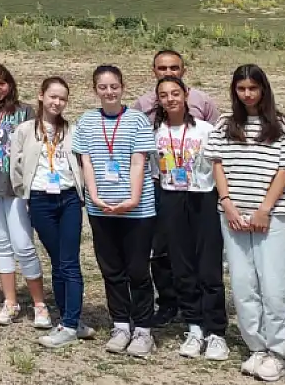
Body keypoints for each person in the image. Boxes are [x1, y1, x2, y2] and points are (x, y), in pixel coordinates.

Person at [208, 65, 285, 382]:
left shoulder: (281, 124)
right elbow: (217, 164)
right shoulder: (224, 124)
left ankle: (278, 352)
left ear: (263, 89)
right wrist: (226, 203)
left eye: (253, 88)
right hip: (232, 215)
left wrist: (264, 209)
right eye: (241, 88)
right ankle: (257, 348)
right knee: (244, 285)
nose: (247, 94)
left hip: (270, 217)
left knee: (274, 287)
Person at [73, 65, 158, 357]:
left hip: (138, 210)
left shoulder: (136, 120)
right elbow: (87, 163)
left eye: (114, 86)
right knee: (111, 269)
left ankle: (144, 329)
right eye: (103, 87)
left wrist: (133, 199)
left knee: (137, 269)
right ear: (95, 89)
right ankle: (121, 324)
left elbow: (139, 163)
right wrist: (93, 197)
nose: (109, 92)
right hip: (101, 210)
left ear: (123, 86)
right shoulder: (86, 121)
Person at [132, 48, 218, 328]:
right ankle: (169, 302)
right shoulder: (142, 104)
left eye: (174, 68)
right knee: (163, 246)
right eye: (162, 68)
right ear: (153, 71)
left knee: (200, 249)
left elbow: (216, 146)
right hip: (161, 185)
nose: (168, 72)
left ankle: (203, 307)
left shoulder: (203, 102)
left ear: (184, 69)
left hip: (199, 188)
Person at [149, 75, 228, 361]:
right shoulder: (155, 132)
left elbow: (219, 168)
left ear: (186, 95)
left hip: (203, 197)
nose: (170, 99)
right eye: (164, 94)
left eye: (175, 93)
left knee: (208, 266)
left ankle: (216, 331)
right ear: (158, 99)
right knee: (181, 266)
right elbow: (154, 170)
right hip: (171, 197)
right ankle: (194, 327)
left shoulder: (206, 130)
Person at [12, 76, 92, 349]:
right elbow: (16, 166)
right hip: (40, 200)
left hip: (69, 199)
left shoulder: (73, 129)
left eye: (62, 98)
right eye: (53, 97)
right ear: (41, 96)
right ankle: (68, 318)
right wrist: (26, 191)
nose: (57, 103)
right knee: (58, 261)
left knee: (70, 261)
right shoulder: (25, 130)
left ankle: (71, 324)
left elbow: (81, 161)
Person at [0, 63, 49, 328]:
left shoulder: (25, 112)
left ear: (10, 85)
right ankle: (10, 302)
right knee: (0, 244)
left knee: (24, 245)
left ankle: (40, 305)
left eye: (1, 83)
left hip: (16, 187)